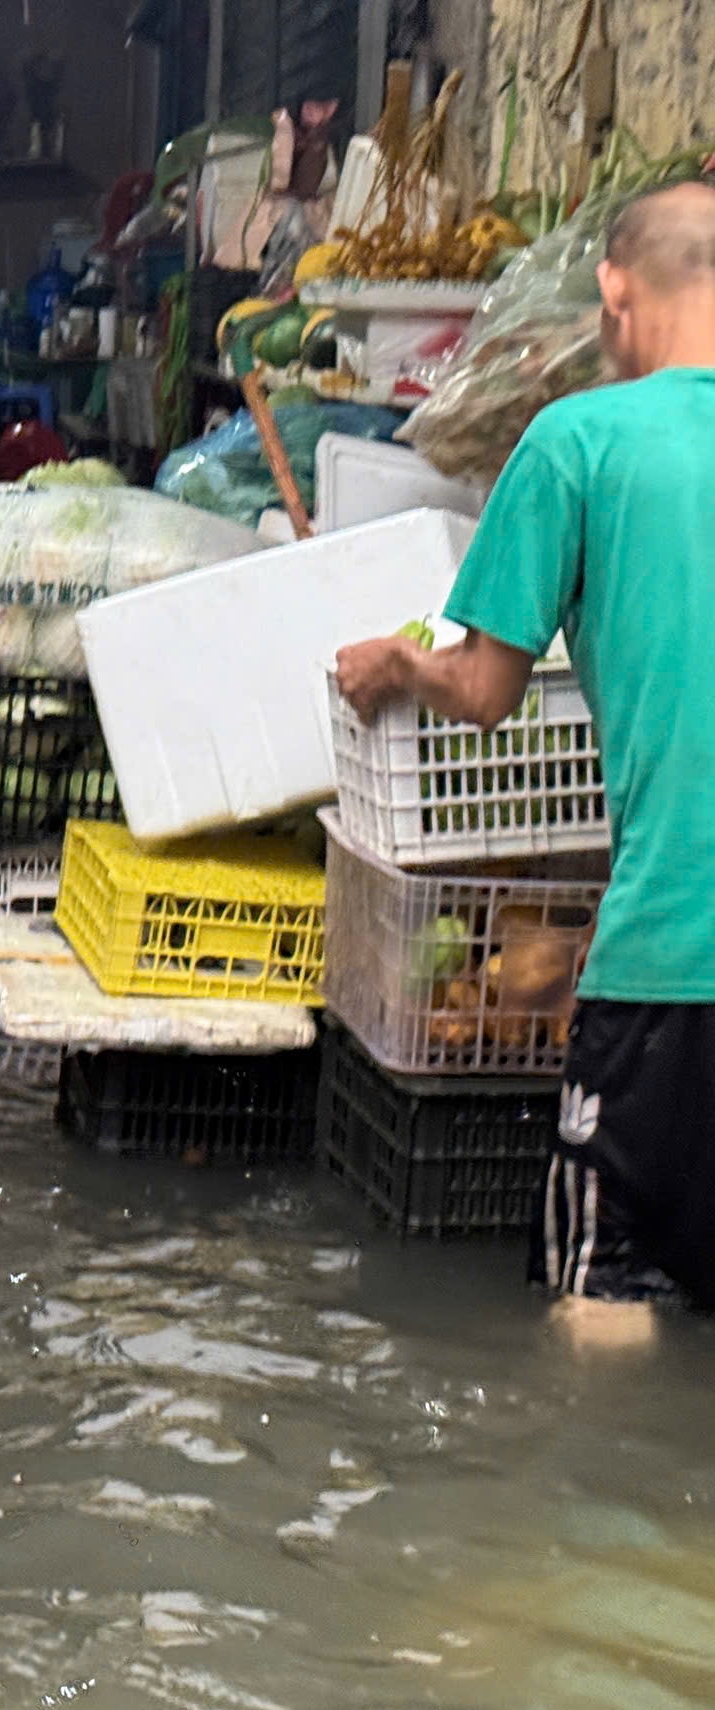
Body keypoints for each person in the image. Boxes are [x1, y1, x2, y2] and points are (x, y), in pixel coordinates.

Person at [336, 179, 715, 1327]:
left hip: (673, 958)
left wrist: (396, 667)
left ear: (612, 291)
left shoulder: (577, 442)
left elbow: (488, 690)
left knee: (602, 1297)